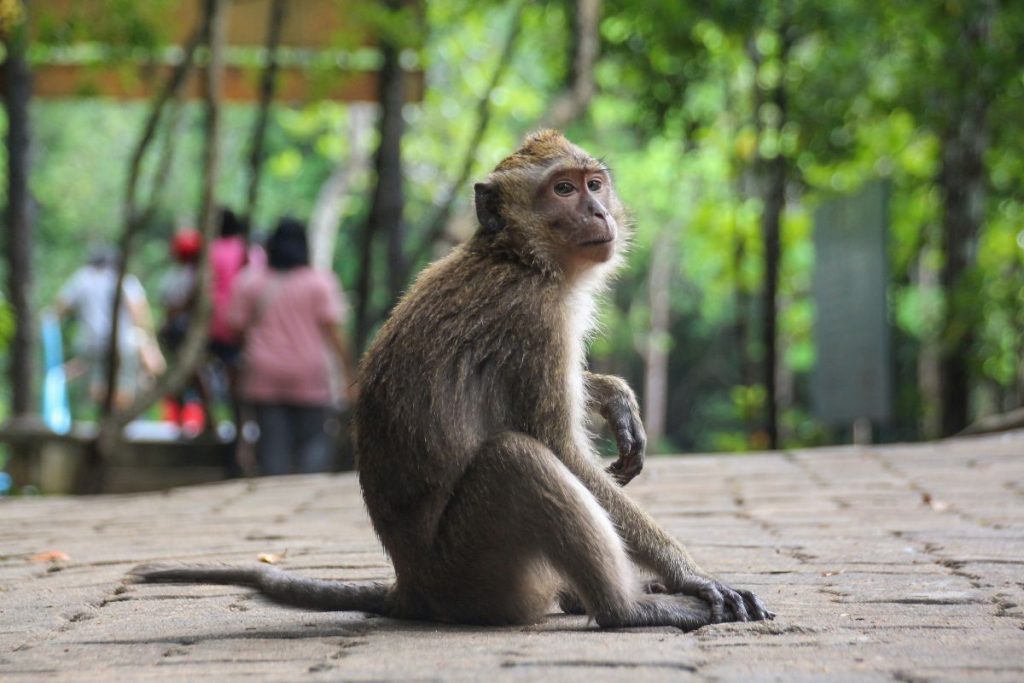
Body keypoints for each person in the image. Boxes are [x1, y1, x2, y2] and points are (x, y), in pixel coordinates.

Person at [229, 217, 358, 475]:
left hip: (264, 374)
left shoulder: (251, 282)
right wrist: (349, 376)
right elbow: (335, 335)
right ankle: (308, 489)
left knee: (272, 447)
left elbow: (236, 328)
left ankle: (274, 497)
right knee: (314, 441)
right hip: (308, 373)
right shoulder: (320, 283)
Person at [54, 246, 164, 412]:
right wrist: (149, 343)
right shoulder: (124, 279)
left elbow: (58, 309)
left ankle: (105, 421)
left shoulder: (82, 278)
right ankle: (118, 423)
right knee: (123, 387)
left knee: (97, 386)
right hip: (122, 343)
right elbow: (139, 313)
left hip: (91, 344)